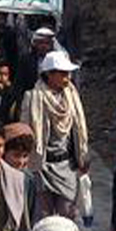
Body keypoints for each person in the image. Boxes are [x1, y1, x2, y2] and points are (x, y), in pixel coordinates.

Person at [21, 49, 90, 220]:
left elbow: (79, 130)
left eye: (68, 74)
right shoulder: (33, 98)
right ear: (49, 75)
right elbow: (26, 132)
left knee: (67, 214)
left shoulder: (71, 95)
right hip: (42, 166)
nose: (68, 78)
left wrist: (83, 157)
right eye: (63, 74)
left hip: (67, 166)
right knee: (42, 216)